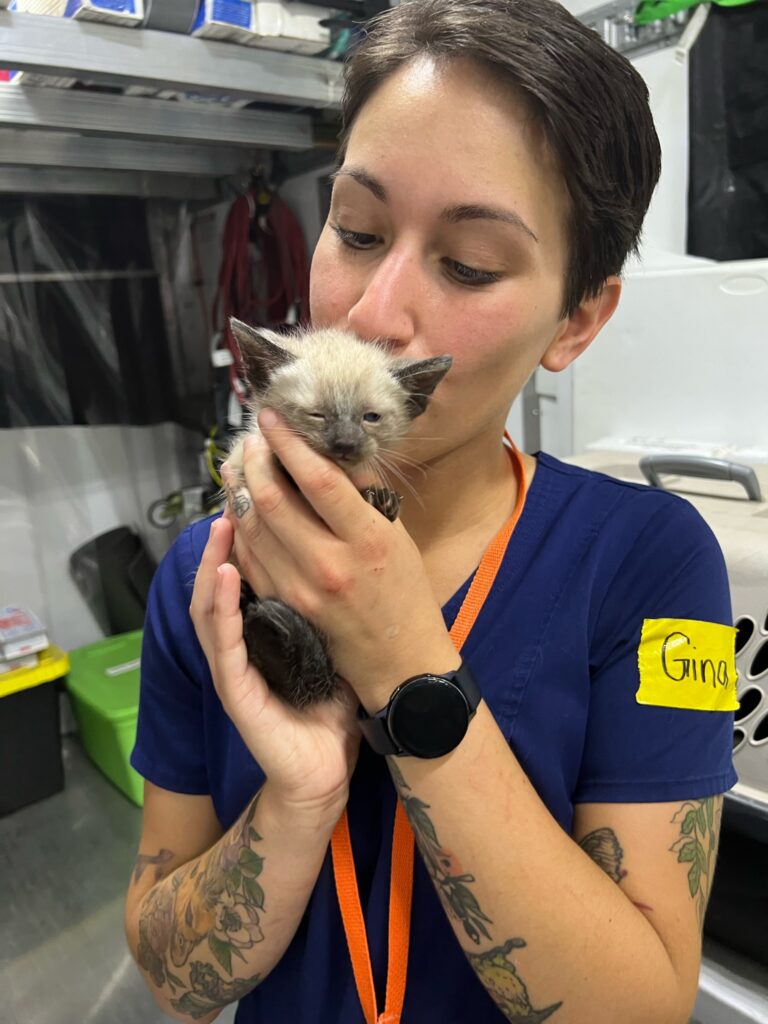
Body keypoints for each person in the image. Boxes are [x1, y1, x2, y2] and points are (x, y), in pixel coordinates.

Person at [124, 1, 738, 1021]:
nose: (372, 314)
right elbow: (170, 976)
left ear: (577, 318)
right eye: (356, 230)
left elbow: (647, 1008)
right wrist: (301, 795)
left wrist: (407, 668)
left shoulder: (655, 564)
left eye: (468, 263)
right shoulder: (208, 574)